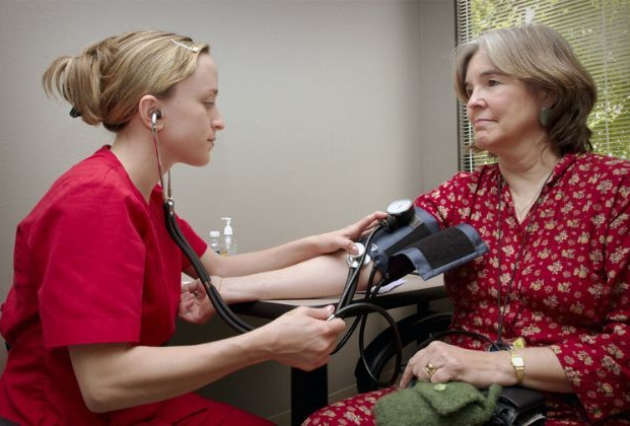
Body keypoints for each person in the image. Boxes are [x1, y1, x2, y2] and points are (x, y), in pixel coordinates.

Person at [0, 30, 386, 425]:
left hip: (137, 406)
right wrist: (263, 343)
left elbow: (218, 267)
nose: (219, 122)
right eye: (207, 103)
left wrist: (316, 242)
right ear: (153, 113)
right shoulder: (94, 201)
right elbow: (103, 385)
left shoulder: (140, 195)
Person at [305, 24, 630, 425]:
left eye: (491, 83)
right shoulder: (465, 194)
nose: (473, 102)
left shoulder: (615, 190)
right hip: (454, 397)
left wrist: (496, 365)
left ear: (548, 91)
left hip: (566, 406)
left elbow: (624, 349)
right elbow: (368, 264)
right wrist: (227, 287)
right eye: (470, 89)